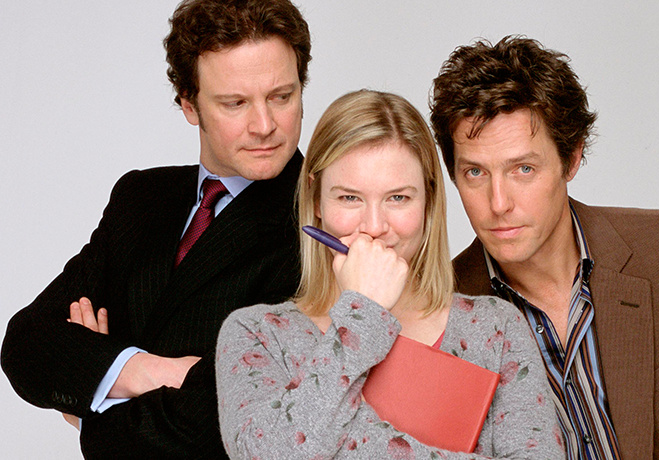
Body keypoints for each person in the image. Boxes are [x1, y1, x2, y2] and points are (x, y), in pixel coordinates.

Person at [1, 0, 311, 457]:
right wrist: (146, 371)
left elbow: (219, 423)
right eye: (235, 103)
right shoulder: (140, 197)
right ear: (189, 103)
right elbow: (26, 341)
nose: (265, 125)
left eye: (282, 97)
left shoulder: (327, 221)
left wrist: (92, 400)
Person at [429, 35, 659, 459]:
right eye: (475, 173)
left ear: (572, 159)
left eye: (523, 169)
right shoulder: (436, 314)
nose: (498, 203)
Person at [215, 89, 564, 459]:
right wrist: (362, 314)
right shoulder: (256, 334)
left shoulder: (494, 328)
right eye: (349, 197)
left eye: (398, 198)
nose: (374, 226)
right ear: (316, 200)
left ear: (428, 201)